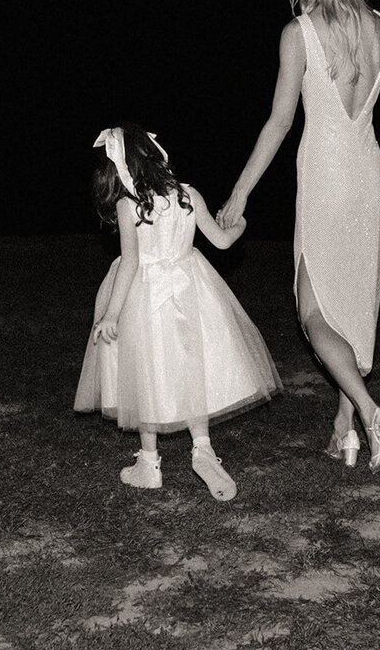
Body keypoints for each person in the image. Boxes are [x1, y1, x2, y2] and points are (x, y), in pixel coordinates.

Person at [217, 0, 380, 473]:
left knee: (313, 311)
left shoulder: (298, 33)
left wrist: (239, 193)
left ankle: (373, 416)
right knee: (349, 308)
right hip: (368, 176)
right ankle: (343, 427)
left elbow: (279, 124)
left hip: (326, 179)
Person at [75, 124, 281, 501]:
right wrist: (240, 225)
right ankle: (202, 448)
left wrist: (112, 314)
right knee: (192, 365)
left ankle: (149, 462)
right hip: (191, 288)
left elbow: (131, 263)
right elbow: (220, 241)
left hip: (145, 295)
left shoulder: (129, 206)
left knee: (147, 372)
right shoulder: (188, 194)